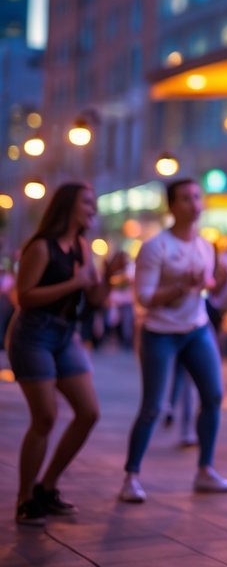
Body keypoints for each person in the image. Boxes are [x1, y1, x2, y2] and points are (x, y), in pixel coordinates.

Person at [119, 178, 227, 502]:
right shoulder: (156, 247)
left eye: (197, 197)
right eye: (185, 198)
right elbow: (143, 299)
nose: (194, 204)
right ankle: (131, 476)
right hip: (160, 333)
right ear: (172, 206)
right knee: (153, 406)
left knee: (213, 396)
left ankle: (205, 471)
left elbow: (208, 290)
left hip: (196, 329)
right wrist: (179, 288)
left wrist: (220, 281)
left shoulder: (205, 245)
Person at [7, 182, 104, 526]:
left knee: (89, 412)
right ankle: (25, 499)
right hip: (33, 335)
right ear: (68, 207)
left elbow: (92, 297)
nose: (93, 209)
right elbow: (24, 296)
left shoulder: (81, 245)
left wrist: (108, 277)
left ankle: (46, 487)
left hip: (66, 334)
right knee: (45, 417)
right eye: (87, 203)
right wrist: (75, 283)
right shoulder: (41, 247)